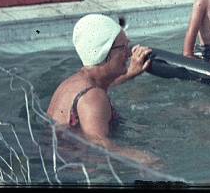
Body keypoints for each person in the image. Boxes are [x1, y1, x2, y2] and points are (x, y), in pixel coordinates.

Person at [46, 13, 158, 166]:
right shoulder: (93, 96)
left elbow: (103, 85)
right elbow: (98, 146)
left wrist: (130, 72)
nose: (129, 53)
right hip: (78, 168)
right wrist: (140, 157)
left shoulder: (73, 83)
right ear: (103, 52)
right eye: (122, 47)